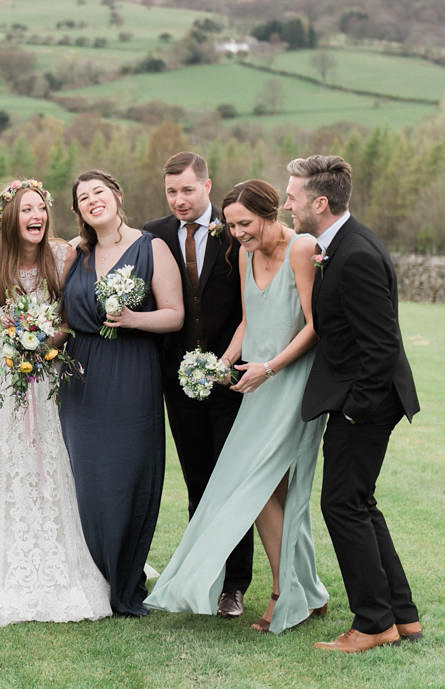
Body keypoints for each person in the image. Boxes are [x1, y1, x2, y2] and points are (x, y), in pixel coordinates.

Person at [145, 179, 329, 633]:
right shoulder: (244, 254)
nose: (238, 232)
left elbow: (313, 326)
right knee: (279, 494)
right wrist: (220, 363)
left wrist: (269, 367)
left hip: (290, 382)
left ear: (270, 213)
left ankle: (285, 594)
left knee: (262, 485)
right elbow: (248, 321)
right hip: (255, 385)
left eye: (244, 223)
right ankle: (312, 591)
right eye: (230, 224)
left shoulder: (302, 248)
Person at [0, 179, 111, 626]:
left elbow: (73, 315)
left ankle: (59, 556)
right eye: (25, 210)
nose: (35, 216)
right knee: (0, 462)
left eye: (40, 208)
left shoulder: (66, 254)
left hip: (49, 369)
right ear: (9, 218)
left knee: (52, 459)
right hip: (0, 373)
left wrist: (46, 338)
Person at [284, 155, 422, 653]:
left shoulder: (356, 253)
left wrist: (354, 409)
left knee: (341, 504)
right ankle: (401, 616)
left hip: (365, 403)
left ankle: (373, 624)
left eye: (294, 196)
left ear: (320, 202)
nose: (287, 203)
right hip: (360, 399)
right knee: (358, 503)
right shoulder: (337, 245)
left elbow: (381, 346)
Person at [58, 169, 183, 616]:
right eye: (83, 198)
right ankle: (92, 574)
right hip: (79, 379)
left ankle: (125, 576)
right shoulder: (76, 253)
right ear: (77, 211)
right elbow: (62, 315)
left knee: (127, 475)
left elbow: (174, 315)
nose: (93, 201)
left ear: (117, 195)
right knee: (86, 481)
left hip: (132, 372)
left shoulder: (153, 248)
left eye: (99, 192)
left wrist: (133, 319)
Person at [143, 151, 254, 619]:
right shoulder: (154, 235)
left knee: (231, 480)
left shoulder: (235, 232)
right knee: (197, 480)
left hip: (231, 379)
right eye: (171, 192)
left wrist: (228, 362)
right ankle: (203, 573)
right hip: (176, 381)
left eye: (187, 190)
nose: (179, 200)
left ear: (207, 187)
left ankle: (235, 583)